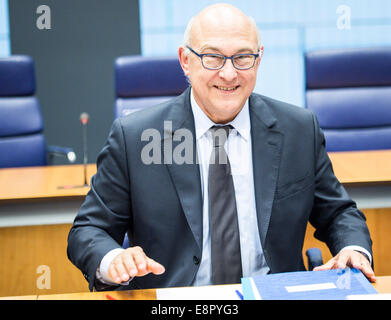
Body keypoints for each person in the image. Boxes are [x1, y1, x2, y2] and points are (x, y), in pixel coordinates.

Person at [67, 3, 375, 292]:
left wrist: (352, 248)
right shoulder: (136, 137)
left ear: (259, 58)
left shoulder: (297, 129)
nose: (229, 74)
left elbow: (338, 213)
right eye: (212, 57)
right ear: (185, 60)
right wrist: (112, 260)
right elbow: (88, 230)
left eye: (242, 57)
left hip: (274, 294)